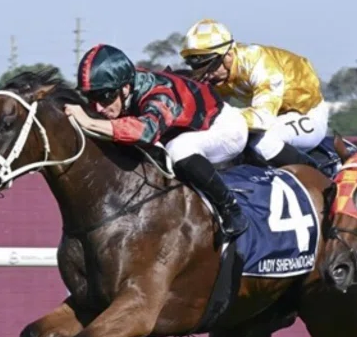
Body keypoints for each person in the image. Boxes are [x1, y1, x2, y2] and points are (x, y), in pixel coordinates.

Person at [64, 43, 249, 239]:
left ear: (125, 88)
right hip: (185, 128)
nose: (99, 107)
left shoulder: (159, 93)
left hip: (224, 129)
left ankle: (231, 209)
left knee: (178, 149)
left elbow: (146, 131)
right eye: (91, 97)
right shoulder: (124, 88)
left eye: (104, 97)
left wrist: (89, 122)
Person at [178, 19, 328, 168]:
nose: (207, 76)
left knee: (263, 143)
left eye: (210, 67)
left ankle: (318, 174)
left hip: (306, 114)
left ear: (228, 55)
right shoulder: (219, 74)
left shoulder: (259, 64)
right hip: (277, 117)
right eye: (198, 68)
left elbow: (262, 119)